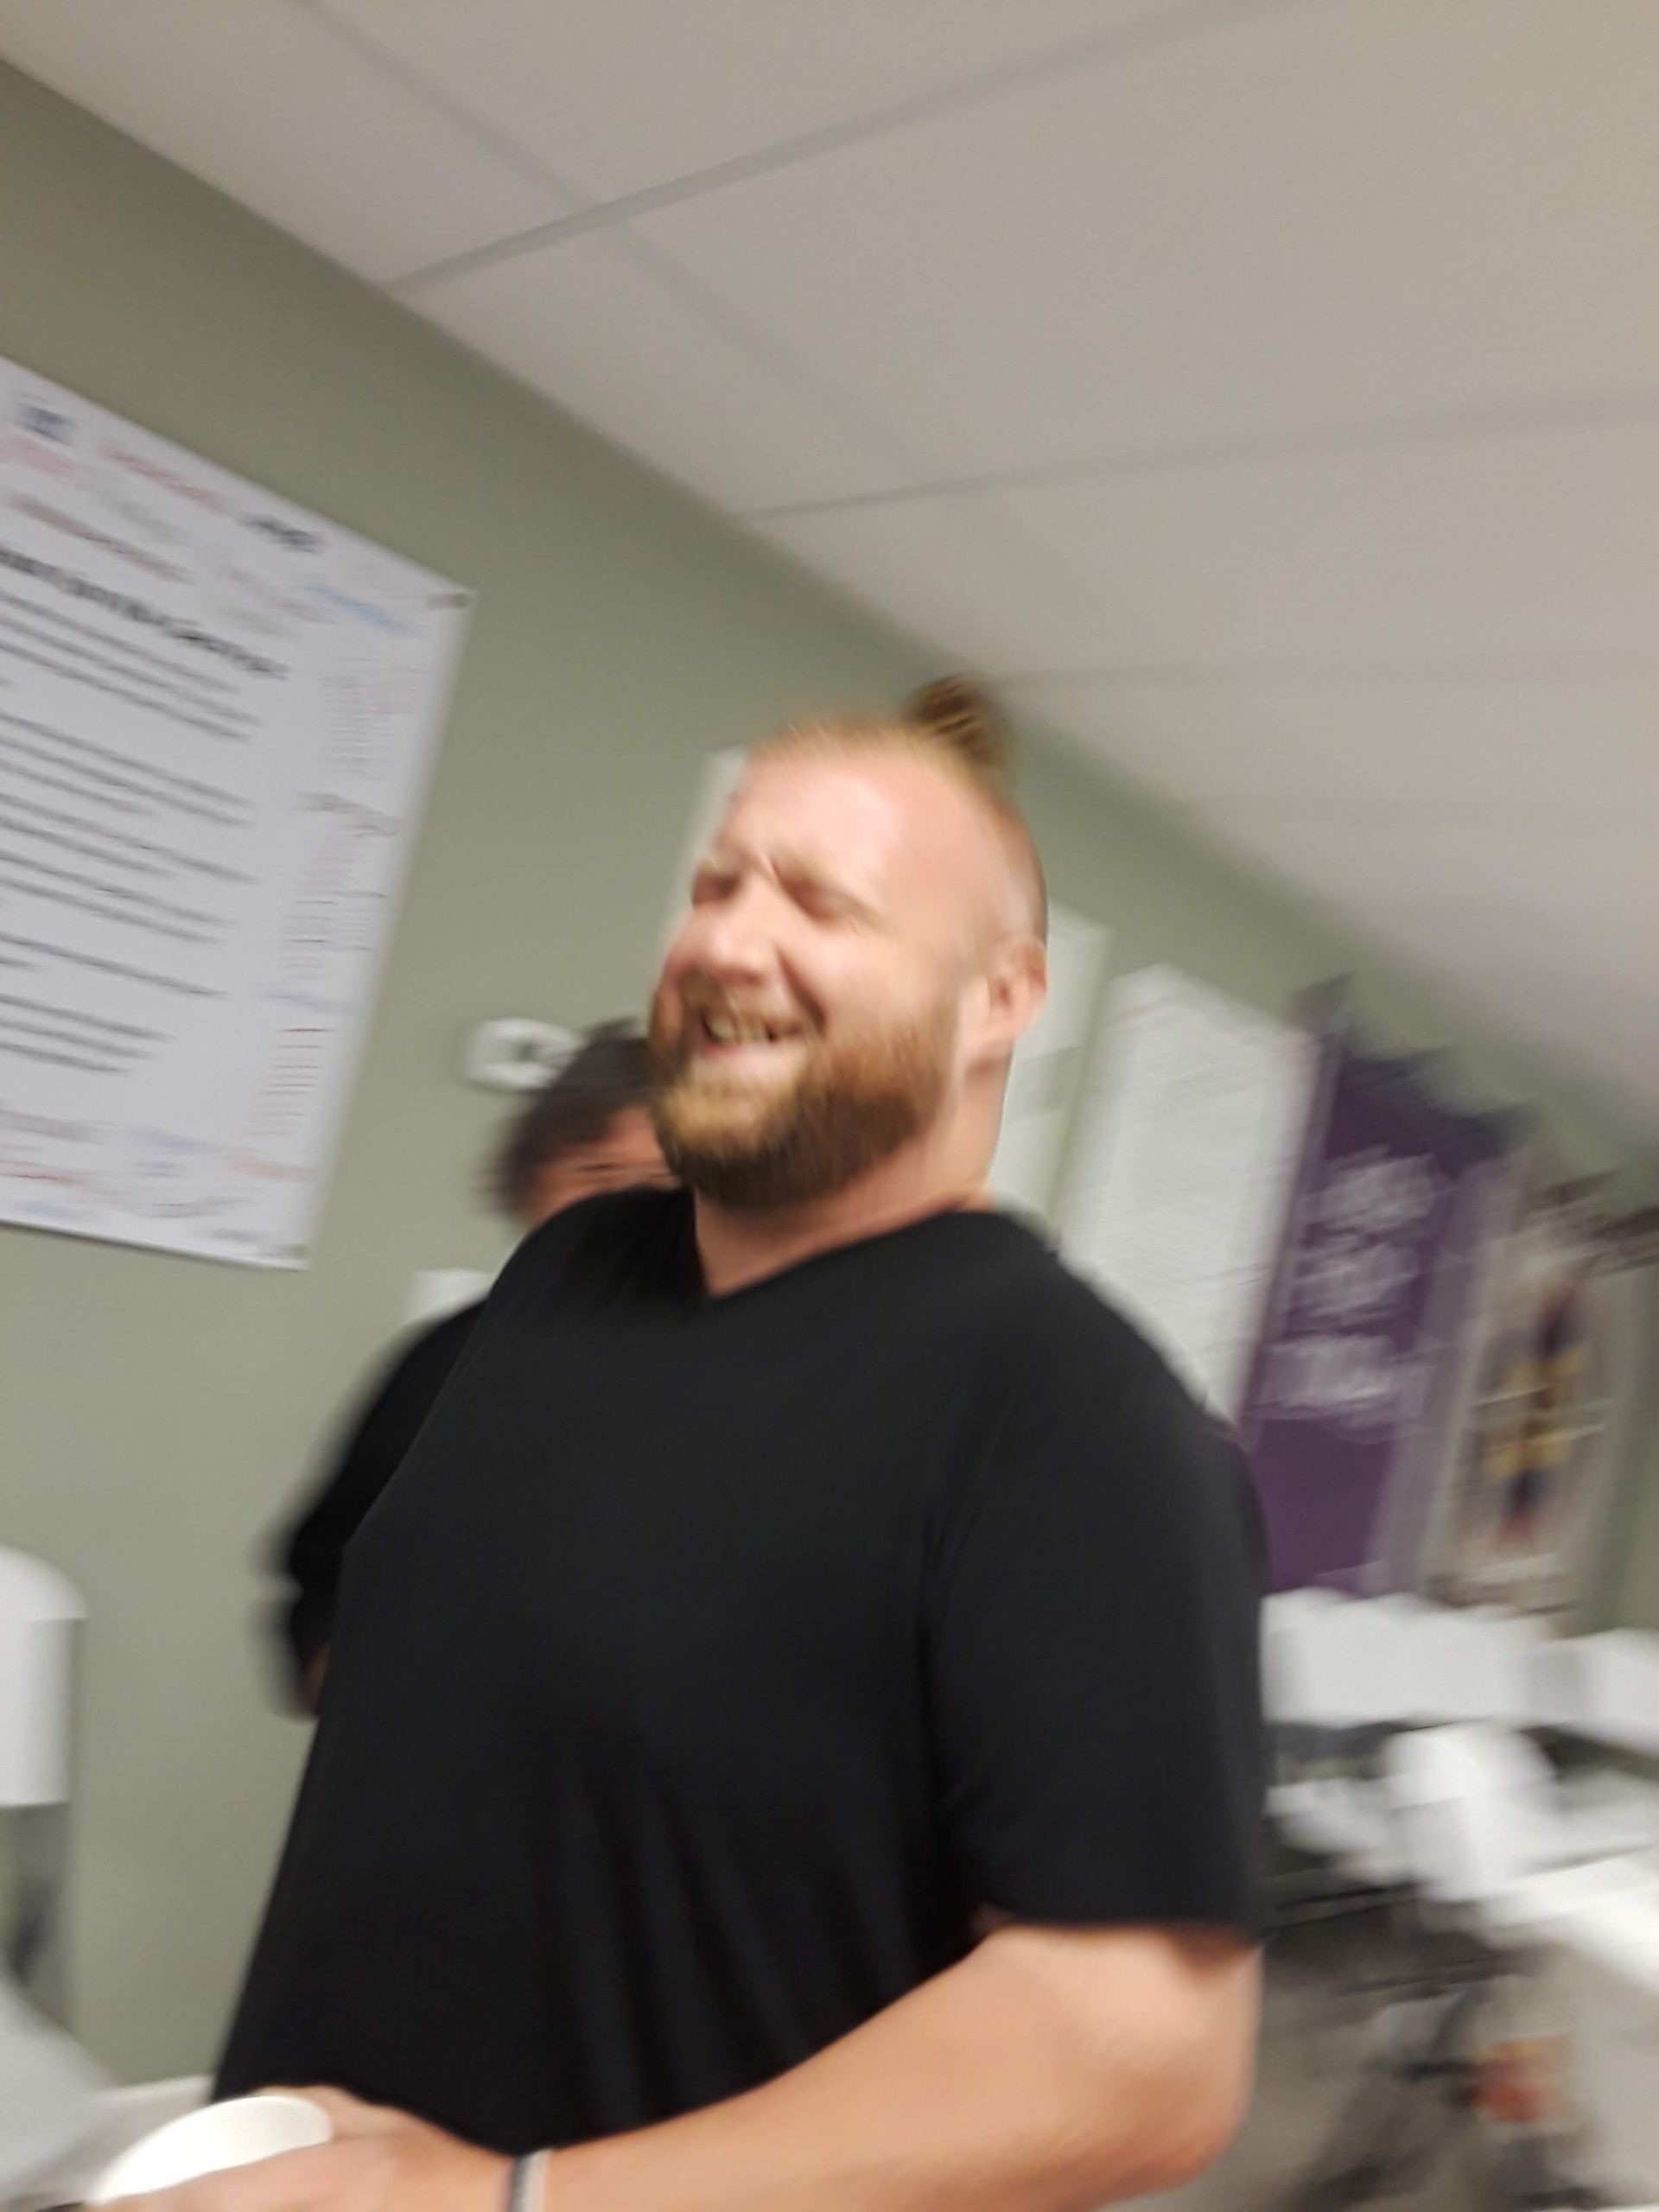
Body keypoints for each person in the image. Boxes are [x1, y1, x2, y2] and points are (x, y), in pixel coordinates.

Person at [154, 679, 1263, 2212]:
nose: (729, 942)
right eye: (716, 885)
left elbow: (1140, 2056)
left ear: (1000, 999)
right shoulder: (570, 1272)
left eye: (821, 902)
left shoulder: (1076, 1418)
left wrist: (507, 2199)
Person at [270, 1022, 665, 1711]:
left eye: (668, 1183)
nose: (627, 1208)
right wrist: (332, 1662)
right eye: (597, 1174)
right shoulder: (453, 1355)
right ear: (530, 1184)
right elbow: (330, 1560)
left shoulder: (765, 1377)